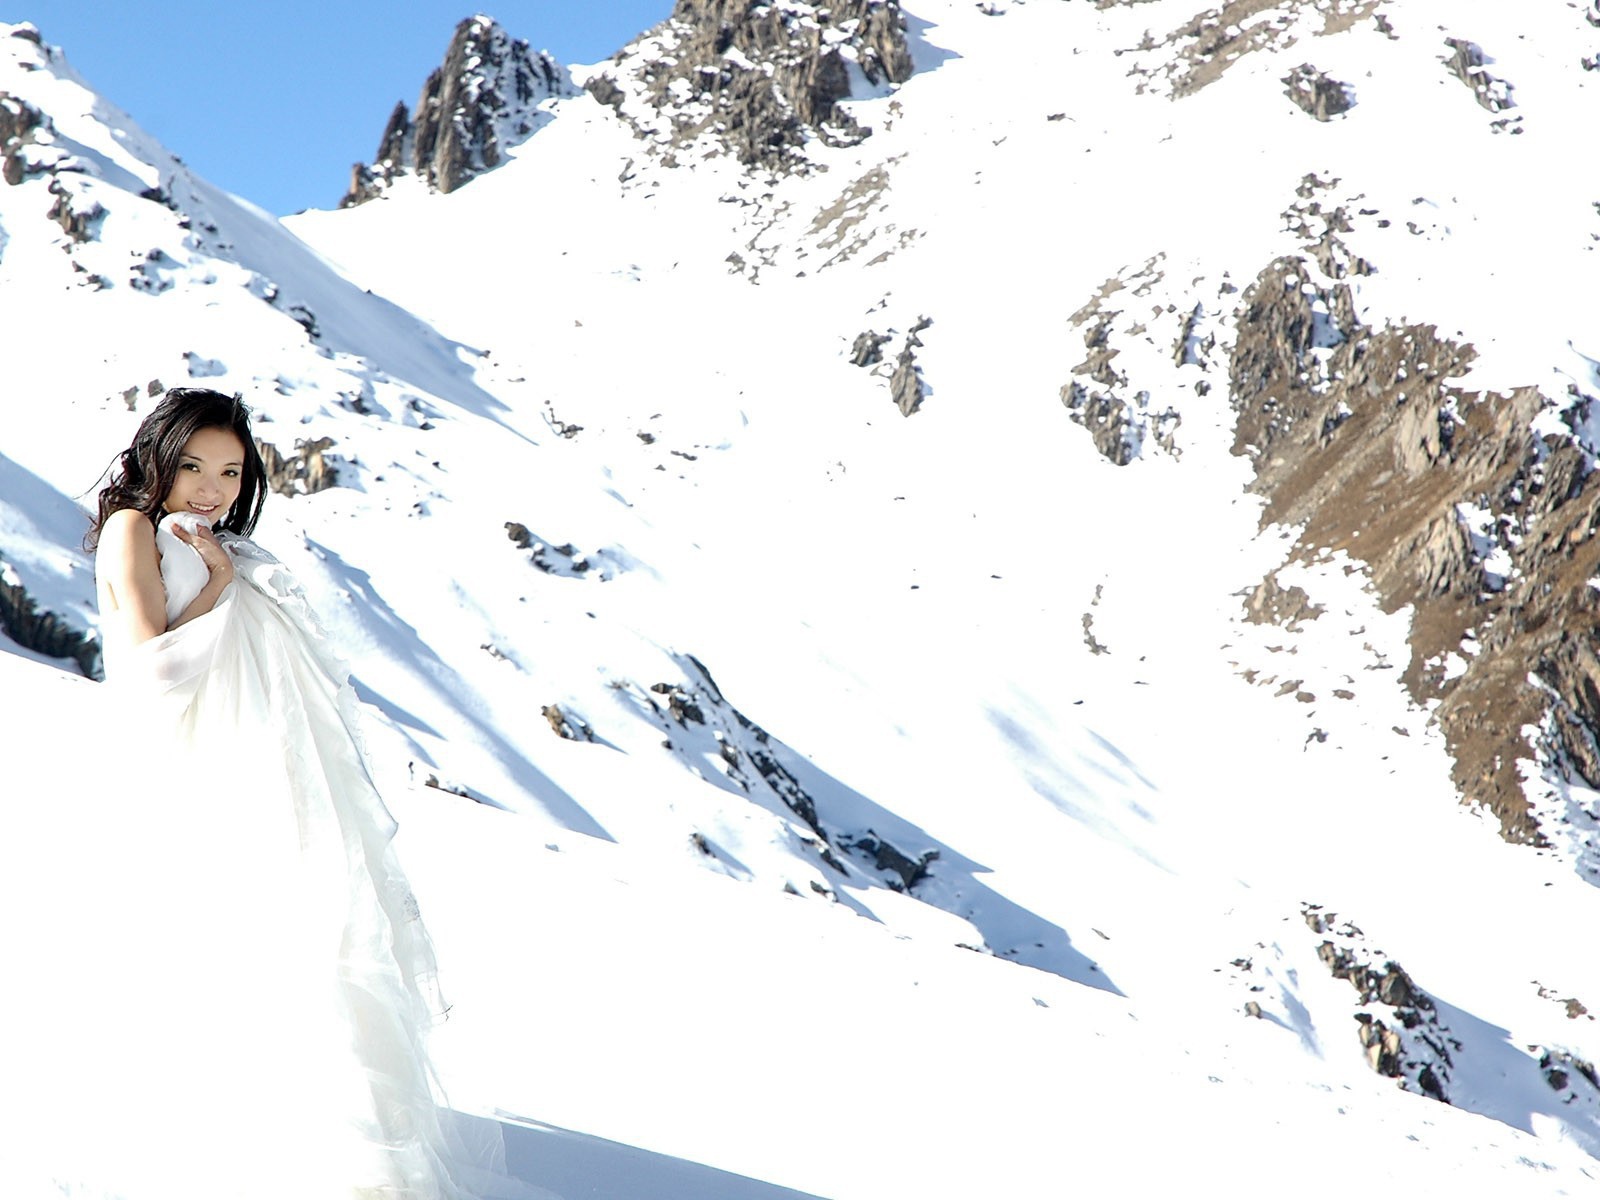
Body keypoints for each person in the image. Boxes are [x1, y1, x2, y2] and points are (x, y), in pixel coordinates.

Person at [9, 388, 515, 1199]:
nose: (212, 487)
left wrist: (217, 569)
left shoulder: (205, 535)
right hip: (185, 761)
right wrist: (213, 586)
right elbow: (149, 666)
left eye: (231, 470)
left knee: (290, 929)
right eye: (194, 466)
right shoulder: (136, 530)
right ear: (155, 464)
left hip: (242, 758)